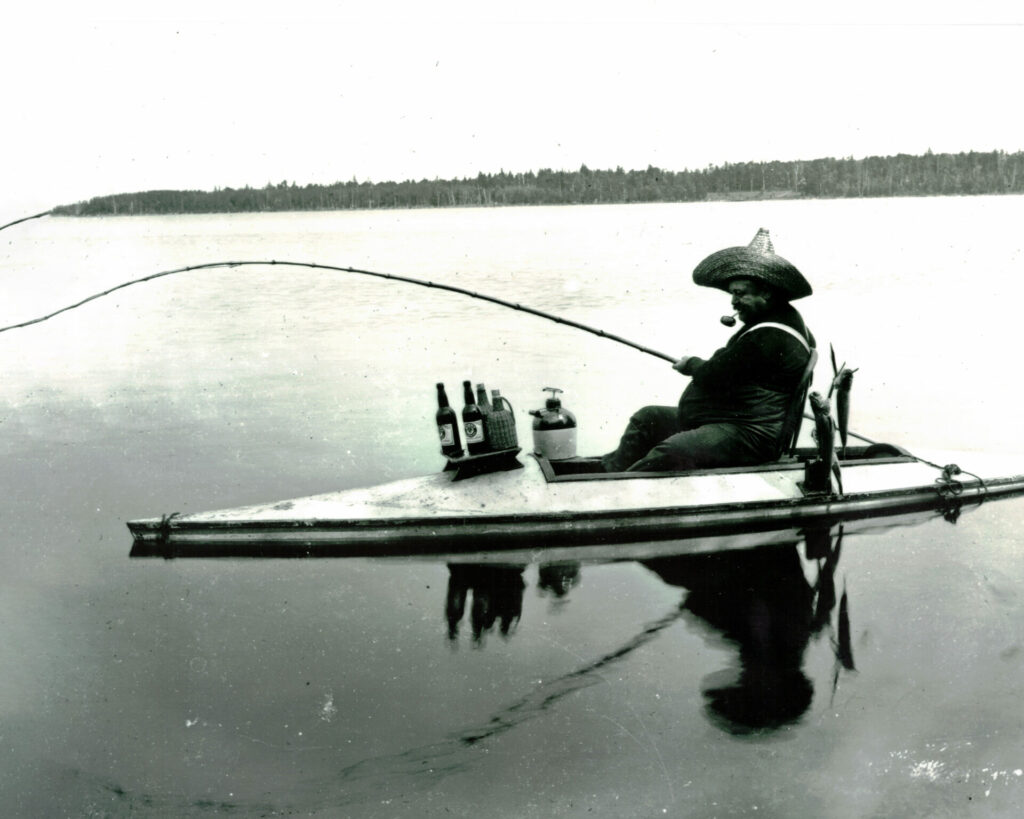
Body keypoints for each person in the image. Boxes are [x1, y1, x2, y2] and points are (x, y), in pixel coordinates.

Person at [602, 228, 815, 472]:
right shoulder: (781, 321)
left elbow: (712, 375)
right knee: (647, 418)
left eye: (739, 294)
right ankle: (609, 474)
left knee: (673, 452)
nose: (733, 302)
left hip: (751, 434)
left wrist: (691, 364)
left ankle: (617, 492)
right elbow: (732, 368)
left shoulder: (769, 335)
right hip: (728, 421)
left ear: (766, 292)